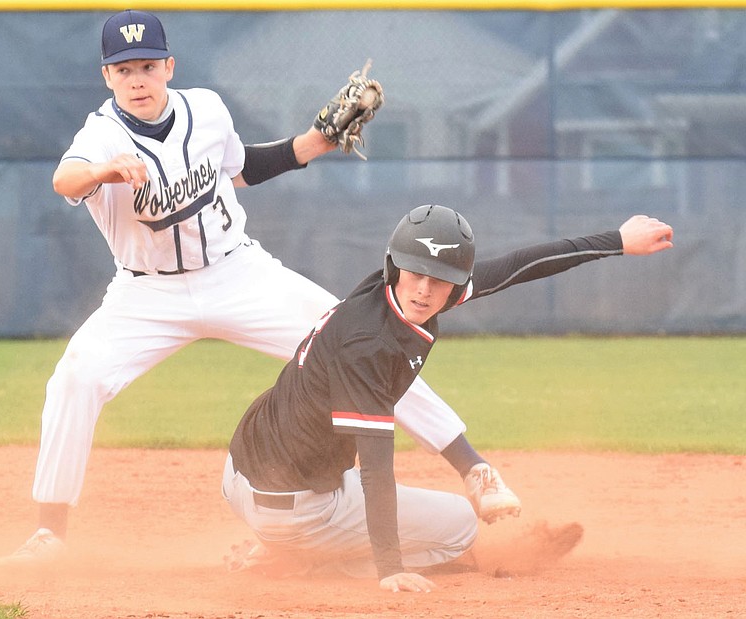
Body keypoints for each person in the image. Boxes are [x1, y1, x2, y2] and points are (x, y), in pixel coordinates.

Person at [0, 10, 519, 566]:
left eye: (148, 65)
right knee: (74, 379)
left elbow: (243, 167)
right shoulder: (100, 134)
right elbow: (63, 179)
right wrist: (103, 172)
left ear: (169, 66)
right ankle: (51, 532)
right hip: (146, 295)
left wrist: (316, 141)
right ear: (107, 77)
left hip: (236, 273)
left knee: (363, 343)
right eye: (124, 70)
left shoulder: (207, 111)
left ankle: (474, 469)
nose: (138, 79)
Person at [222, 205, 674, 592]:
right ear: (397, 267)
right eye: (417, 275)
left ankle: (287, 543)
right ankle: (304, 558)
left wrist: (617, 240)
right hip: (290, 506)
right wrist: (390, 568)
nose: (424, 289)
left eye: (439, 280)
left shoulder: (388, 290)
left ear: (456, 283)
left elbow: (520, 265)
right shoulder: (367, 346)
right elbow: (377, 468)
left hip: (242, 472)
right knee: (458, 526)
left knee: (341, 471)